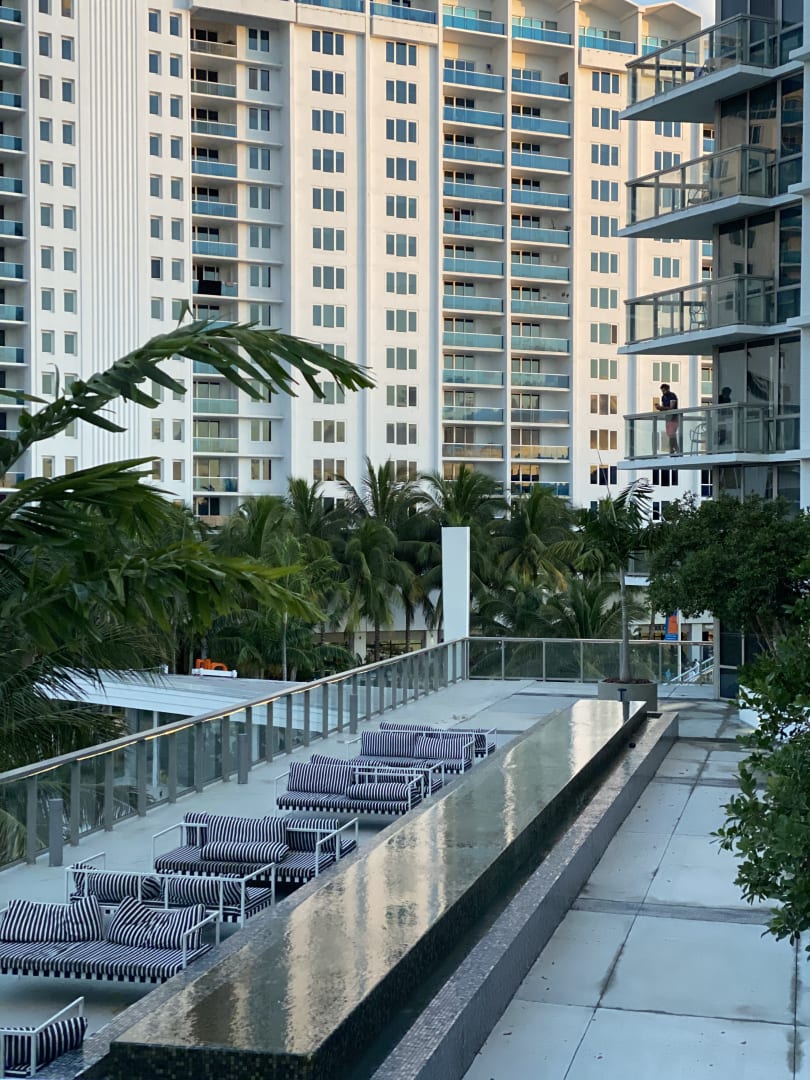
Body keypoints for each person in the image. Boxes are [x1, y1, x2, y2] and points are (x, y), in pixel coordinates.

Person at [656, 383, 680, 454]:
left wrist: (661, 408)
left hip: (674, 417)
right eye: (662, 391)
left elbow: (672, 407)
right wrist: (660, 408)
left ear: (668, 389)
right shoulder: (663, 397)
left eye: (664, 390)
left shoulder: (672, 395)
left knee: (672, 434)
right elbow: (664, 408)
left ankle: (673, 450)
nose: (663, 392)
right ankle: (675, 449)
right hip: (668, 417)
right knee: (670, 434)